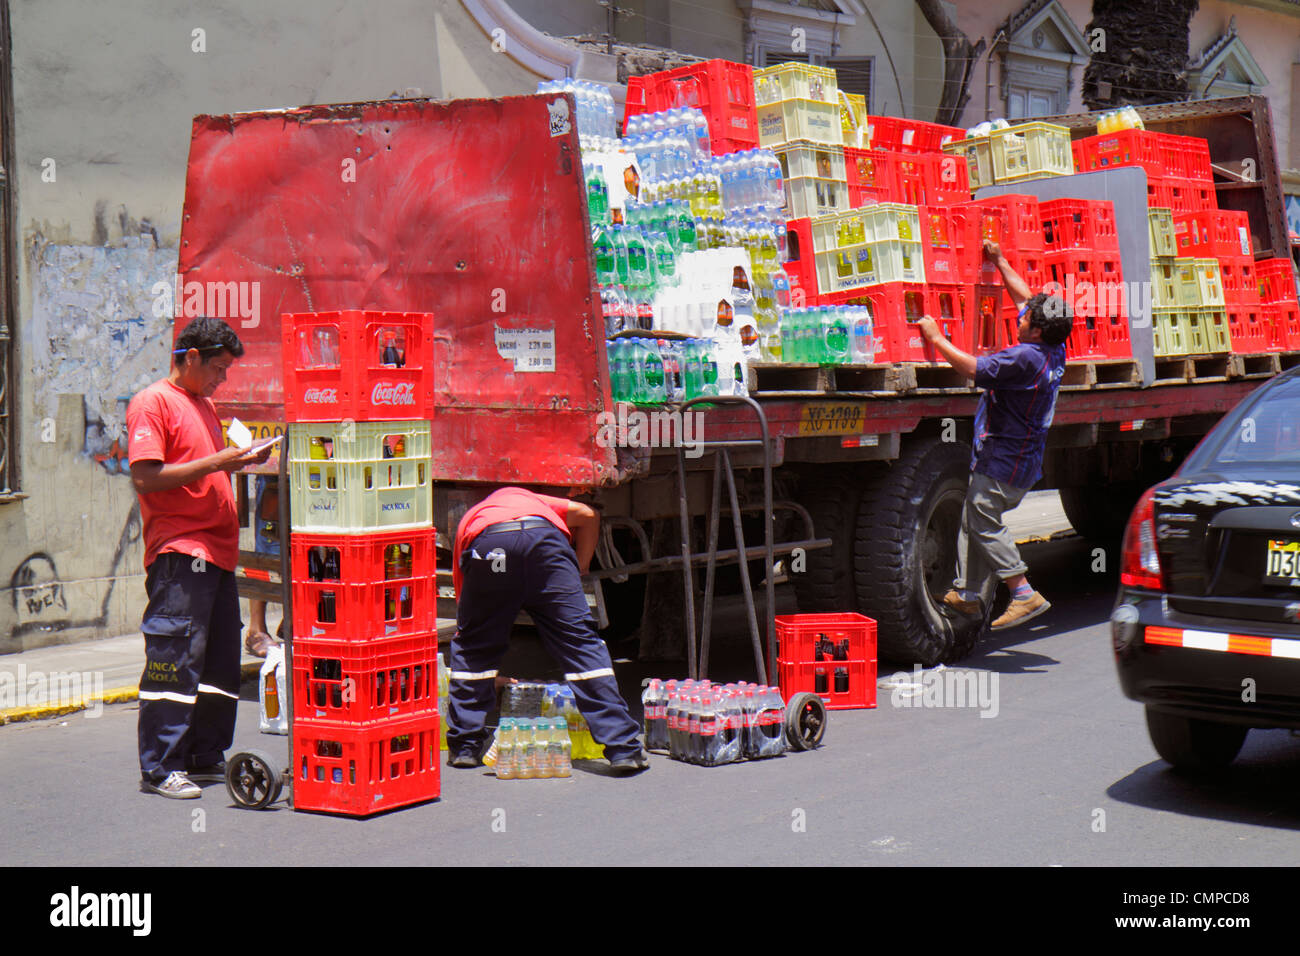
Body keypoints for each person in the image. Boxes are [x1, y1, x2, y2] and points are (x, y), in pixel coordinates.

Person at [126, 316, 274, 799]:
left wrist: (242, 457)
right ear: (190, 357)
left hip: (218, 553)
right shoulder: (153, 403)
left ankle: (204, 755)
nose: (222, 379)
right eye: (218, 368)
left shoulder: (204, 405)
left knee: (218, 665)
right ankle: (160, 766)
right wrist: (219, 461)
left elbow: (208, 466)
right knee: (175, 659)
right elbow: (147, 477)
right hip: (180, 550)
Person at [916, 239, 1072, 631]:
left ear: (1035, 330)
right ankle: (969, 595)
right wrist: (1001, 260)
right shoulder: (1054, 347)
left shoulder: (1022, 358)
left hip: (1004, 459)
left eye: (1023, 320)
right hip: (1023, 460)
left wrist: (935, 338)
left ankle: (1022, 592)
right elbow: (1028, 299)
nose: (1017, 319)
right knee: (975, 517)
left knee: (984, 520)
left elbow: (971, 368)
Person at [446, 486, 649, 774]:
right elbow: (589, 514)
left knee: (474, 648)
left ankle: (464, 747)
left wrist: (478, 641)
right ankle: (623, 749)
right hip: (545, 546)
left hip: (492, 547)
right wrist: (579, 566)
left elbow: (464, 600)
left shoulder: (474, 516)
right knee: (580, 646)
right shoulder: (538, 502)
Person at [244, 474, 281, 658]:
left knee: (305, 546)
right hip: (274, 476)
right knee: (267, 549)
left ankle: (292, 621)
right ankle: (256, 628)